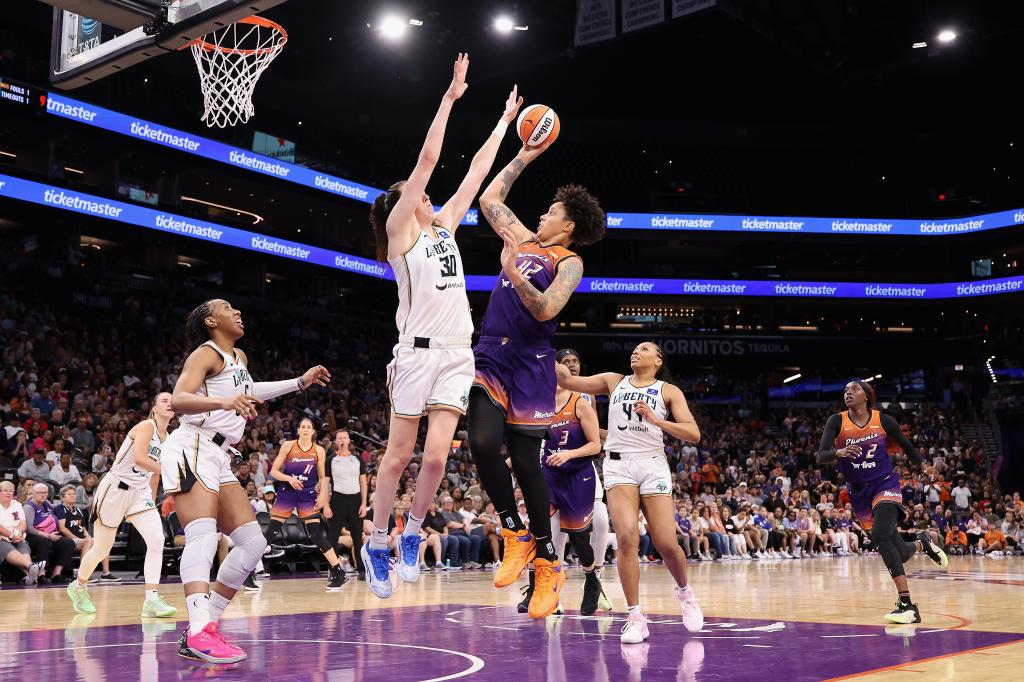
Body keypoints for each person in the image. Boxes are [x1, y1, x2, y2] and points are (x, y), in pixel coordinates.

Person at [361, 53, 525, 599]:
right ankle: (376, 540)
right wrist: (449, 98)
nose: (428, 195)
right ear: (402, 208)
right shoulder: (400, 234)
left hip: (458, 352)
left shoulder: (445, 226)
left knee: (435, 457)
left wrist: (504, 123)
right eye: (418, 195)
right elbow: (429, 159)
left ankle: (411, 532)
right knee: (398, 455)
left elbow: (476, 170)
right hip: (415, 353)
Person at [470, 125, 607, 620]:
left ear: (567, 226)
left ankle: (550, 563)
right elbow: (490, 198)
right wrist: (526, 155)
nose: (542, 214)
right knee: (482, 443)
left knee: (528, 464)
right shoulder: (521, 236)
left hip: (531, 360)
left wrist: (510, 273)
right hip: (490, 353)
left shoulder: (570, 262)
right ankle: (515, 531)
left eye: (551, 211)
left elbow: (548, 309)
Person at [160, 299, 329, 663]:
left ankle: (205, 628)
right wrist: (224, 404)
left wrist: (299, 383)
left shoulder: (239, 356)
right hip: (192, 443)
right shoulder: (205, 354)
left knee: (253, 544)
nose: (237, 311)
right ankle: (199, 628)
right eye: (227, 307)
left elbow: (251, 391)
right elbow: (178, 399)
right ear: (210, 320)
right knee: (203, 535)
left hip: (219, 454)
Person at [556, 341, 704, 643]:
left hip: (652, 465)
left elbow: (693, 433)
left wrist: (656, 419)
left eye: (644, 348)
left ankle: (684, 592)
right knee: (626, 537)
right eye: (634, 349)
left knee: (665, 542)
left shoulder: (668, 391)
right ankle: (635, 616)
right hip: (618, 466)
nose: (636, 351)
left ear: (658, 360)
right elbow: (566, 380)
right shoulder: (614, 380)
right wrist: (538, 348)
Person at [816, 381, 948, 624]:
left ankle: (907, 605)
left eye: (854, 389)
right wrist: (839, 453)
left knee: (880, 535)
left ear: (866, 396)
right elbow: (820, 455)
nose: (848, 392)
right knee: (900, 552)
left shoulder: (883, 420)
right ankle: (921, 543)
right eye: (845, 390)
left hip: (885, 484)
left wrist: (923, 466)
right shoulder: (836, 421)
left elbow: (907, 447)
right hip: (858, 494)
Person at [66, 394, 178, 617]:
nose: (170, 402)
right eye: (164, 400)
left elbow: (153, 476)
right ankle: (78, 585)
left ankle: (151, 600)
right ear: (154, 408)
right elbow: (139, 459)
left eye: (172, 400)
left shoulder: (170, 439)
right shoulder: (147, 426)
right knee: (101, 549)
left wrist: (151, 502)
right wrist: (173, 471)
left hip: (140, 493)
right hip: (115, 489)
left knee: (157, 540)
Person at [520, 351, 604, 616]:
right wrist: (506, 464)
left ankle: (592, 581)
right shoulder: (539, 402)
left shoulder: (582, 400)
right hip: (549, 473)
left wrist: (569, 453)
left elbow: (595, 444)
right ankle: (537, 588)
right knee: (539, 530)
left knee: (580, 538)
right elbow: (532, 440)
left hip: (578, 472)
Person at [261, 417, 345, 591]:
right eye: (303, 426)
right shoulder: (288, 446)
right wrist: (288, 478)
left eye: (309, 427)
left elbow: (323, 478)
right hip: (287, 492)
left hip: (307, 495)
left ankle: (338, 572)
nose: (306, 429)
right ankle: (247, 571)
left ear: (313, 431)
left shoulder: (319, 450)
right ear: (298, 430)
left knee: (317, 535)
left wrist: (323, 496)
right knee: (271, 532)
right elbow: (274, 472)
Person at [326, 430, 366, 578]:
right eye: (339, 438)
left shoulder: (358, 460)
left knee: (357, 537)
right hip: (337, 499)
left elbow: (363, 483)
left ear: (349, 441)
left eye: (344, 438)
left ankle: (361, 569)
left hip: (355, 500)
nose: (342, 440)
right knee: (332, 537)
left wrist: (363, 503)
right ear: (336, 441)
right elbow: (325, 484)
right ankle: (333, 569)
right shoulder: (330, 459)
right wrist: (325, 505)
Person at [24, 482, 76, 583]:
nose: (43, 495)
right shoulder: (29, 507)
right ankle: (41, 574)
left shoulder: (46, 503)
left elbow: (56, 509)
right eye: (39, 492)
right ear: (33, 494)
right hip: (34, 536)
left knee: (69, 542)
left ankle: (56, 573)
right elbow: (29, 529)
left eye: (45, 492)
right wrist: (48, 535)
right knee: (43, 541)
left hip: (51, 535)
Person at [0, 480, 45, 584]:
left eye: (11, 491)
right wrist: (11, 535)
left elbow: (23, 523)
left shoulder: (17, 504)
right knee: (7, 547)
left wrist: (19, 533)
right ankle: (31, 567)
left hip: (18, 536)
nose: (9, 493)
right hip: (2, 537)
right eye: (5, 490)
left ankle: (29, 575)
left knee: (22, 546)